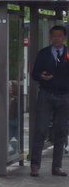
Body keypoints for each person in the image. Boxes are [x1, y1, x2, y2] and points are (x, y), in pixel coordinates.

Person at [29, 23, 69, 177]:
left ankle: (57, 167)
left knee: (61, 132)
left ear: (64, 38)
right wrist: (42, 77)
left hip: (64, 96)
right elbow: (34, 74)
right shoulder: (44, 53)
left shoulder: (67, 53)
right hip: (46, 94)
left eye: (60, 36)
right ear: (50, 37)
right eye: (54, 36)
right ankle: (35, 165)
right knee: (40, 129)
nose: (56, 39)